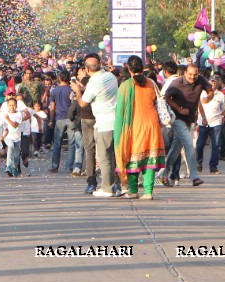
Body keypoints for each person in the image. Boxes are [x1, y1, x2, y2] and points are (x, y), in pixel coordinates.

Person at [113, 56, 167, 200]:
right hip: (151, 124)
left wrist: (119, 132)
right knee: (149, 158)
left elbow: (119, 112)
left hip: (135, 125)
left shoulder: (125, 86)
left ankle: (133, 190)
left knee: (132, 156)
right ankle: (148, 192)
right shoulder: (151, 83)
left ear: (129, 69)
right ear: (142, 68)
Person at [71, 54, 119, 197]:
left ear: (86, 69)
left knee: (103, 158)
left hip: (103, 122)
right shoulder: (110, 76)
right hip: (115, 120)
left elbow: (82, 103)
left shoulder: (94, 82)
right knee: (113, 156)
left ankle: (107, 188)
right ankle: (117, 185)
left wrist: (78, 91)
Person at [160, 64, 210, 187]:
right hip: (177, 119)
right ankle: (194, 177)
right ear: (185, 73)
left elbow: (210, 90)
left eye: (195, 74)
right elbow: (166, 97)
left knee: (175, 149)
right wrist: (179, 108)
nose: (193, 77)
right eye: (190, 74)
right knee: (189, 144)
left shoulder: (200, 80)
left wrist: (209, 97)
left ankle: (161, 174)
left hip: (189, 120)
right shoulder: (176, 83)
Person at [196, 81, 225, 175]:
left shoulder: (221, 95)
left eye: (215, 82)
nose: (213, 84)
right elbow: (198, 106)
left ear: (218, 84)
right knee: (200, 145)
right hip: (203, 122)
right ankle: (198, 162)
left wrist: (222, 118)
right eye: (211, 82)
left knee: (216, 145)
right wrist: (203, 118)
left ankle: (213, 167)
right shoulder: (202, 93)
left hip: (216, 122)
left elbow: (223, 109)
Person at [48, 72, 74, 171]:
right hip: (71, 117)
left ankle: (54, 166)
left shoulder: (54, 91)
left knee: (57, 143)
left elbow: (52, 106)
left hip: (59, 118)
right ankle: (69, 167)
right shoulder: (71, 89)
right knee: (71, 143)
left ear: (59, 78)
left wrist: (51, 119)